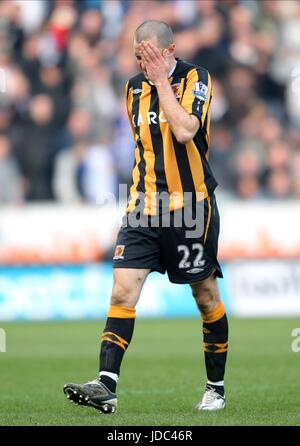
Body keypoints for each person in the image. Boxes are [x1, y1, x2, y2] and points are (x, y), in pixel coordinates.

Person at [63, 20, 228, 413]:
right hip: (142, 206)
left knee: (205, 297)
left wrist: (161, 83)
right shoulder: (132, 88)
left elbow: (187, 130)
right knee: (122, 290)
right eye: (138, 53)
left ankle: (215, 388)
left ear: (169, 52)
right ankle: (106, 385)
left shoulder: (196, 79)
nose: (142, 60)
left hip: (190, 207)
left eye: (150, 53)